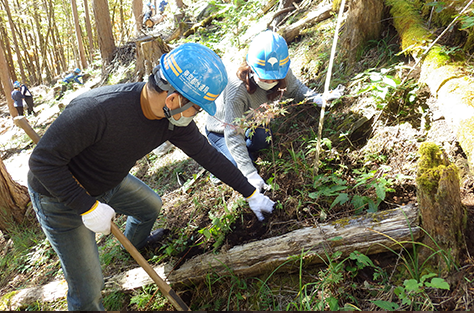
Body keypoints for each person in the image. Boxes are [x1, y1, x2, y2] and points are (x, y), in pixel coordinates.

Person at [27, 42, 275, 311]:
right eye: (197, 108)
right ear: (173, 99)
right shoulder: (96, 110)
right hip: (59, 196)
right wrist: (87, 208)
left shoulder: (172, 121)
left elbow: (208, 155)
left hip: (109, 180)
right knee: (89, 288)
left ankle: (132, 245)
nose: (197, 115)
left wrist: (249, 191)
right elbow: (42, 163)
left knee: (150, 206)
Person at [205, 30, 344, 192]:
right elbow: (233, 134)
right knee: (236, 167)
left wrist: (316, 98)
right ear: (251, 67)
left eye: (274, 78)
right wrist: (251, 174)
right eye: (265, 78)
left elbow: (296, 88)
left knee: (264, 140)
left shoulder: (281, 71)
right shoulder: (236, 89)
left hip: (252, 123)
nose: (270, 82)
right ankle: (219, 159)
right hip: (222, 129)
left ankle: (243, 153)